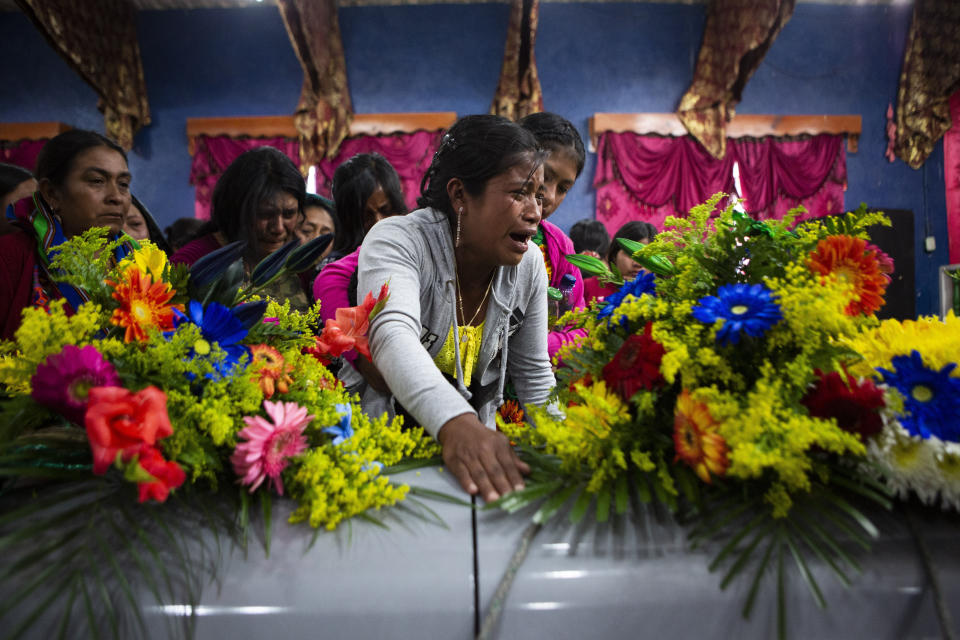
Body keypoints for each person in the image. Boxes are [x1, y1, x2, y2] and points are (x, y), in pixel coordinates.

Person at [357, 115, 555, 502]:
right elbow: (391, 334)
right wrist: (455, 422)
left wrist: (568, 451)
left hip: (468, 462)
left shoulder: (529, 263)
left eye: (540, 196)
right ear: (460, 195)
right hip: (383, 458)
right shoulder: (398, 241)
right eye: (519, 193)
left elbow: (533, 374)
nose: (535, 213)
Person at [0, 130, 135, 340]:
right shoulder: (11, 256)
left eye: (123, 184)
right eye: (97, 181)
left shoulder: (143, 261)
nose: (116, 197)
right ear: (52, 193)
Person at [170, 146, 311, 311]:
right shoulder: (191, 263)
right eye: (265, 214)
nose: (278, 228)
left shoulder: (300, 264)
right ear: (235, 211)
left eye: (289, 214)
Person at [312, 154, 406, 393]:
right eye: (365, 217)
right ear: (347, 221)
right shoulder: (333, 278)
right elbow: (376, 376)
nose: (379, 224)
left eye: (387, 210)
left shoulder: (422, 250)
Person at [518, 112, 588, 359]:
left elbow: (578, 329)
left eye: (563, 189)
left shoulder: (559, 246)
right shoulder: (479, 231)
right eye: (545, 176)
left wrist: (535, 345)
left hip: (534, 382)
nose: (549, 195)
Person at [583, 220, 658, 304]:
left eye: (645, 257)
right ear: (614, 255)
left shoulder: (663, 292)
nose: (638, 264)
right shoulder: (588, 287)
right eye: (630, 254)